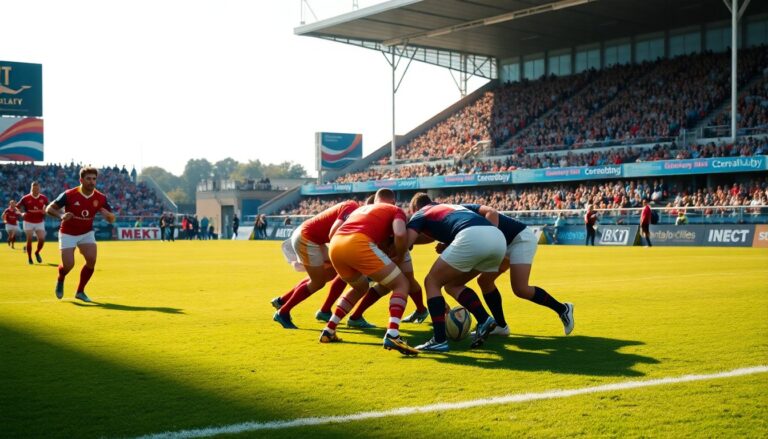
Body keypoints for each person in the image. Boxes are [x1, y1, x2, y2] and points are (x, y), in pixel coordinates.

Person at [320, 188, 418, 356]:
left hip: (336, 245)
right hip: (358, 242)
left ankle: (329, 329)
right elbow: (400, 233)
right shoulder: (395, 209)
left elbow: (334, 232)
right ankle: (393, 334)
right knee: (402, 284)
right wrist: (401, 255)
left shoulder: (361, 209)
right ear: (393, 201)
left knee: (360, 288)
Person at [405, 193, 506, 353]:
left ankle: (439, 340)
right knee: (453, 285)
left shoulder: (420, 213)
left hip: (472, 236)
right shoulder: (451, 207)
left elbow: (406, 242)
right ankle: (484, 319)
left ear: (414, 208)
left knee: (432, 282)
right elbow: (436, 234)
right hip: (498, 239)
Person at [464, 203, 574, 337]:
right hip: (501, 244)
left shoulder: (461, 209)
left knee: (521, 289)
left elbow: (492, 212)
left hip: (519, 239)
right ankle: (501, 326)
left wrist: (491, 240)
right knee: (485, 281)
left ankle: (563, 309)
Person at [272, 199, 360, 329]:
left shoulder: (354, 208)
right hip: (308, 237)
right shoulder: (353, 207)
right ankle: (283, 312)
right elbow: (334, 231)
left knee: (332, 272)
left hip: (311, 237)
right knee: (318, 282)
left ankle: (283, 301)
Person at [46, 167, 116, 302]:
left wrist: (110, 217)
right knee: (68, 265)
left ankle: (80, 291)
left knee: (91, 260)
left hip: (86, 232)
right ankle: (61, 278)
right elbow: (49, 208)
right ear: (81, 180)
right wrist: (61, 215)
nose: (92, 182)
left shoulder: (101, 197)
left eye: (94, 179)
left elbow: (111, 217)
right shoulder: (69, 194)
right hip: (68, 232)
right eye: (88, 179)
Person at [17, 181, 49, 264]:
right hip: (28, 221)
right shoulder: (25, 198)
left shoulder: (44, 198)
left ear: (39, 189)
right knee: (29, 239)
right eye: (34, 188)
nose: (35, 190)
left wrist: (45, 211)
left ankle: (37, 252)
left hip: (39, 221)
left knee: (41, 239)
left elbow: (49, 207)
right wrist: (22, 213)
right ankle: (30, 258)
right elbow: (17, 207)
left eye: (37, 188)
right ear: (31, 189)